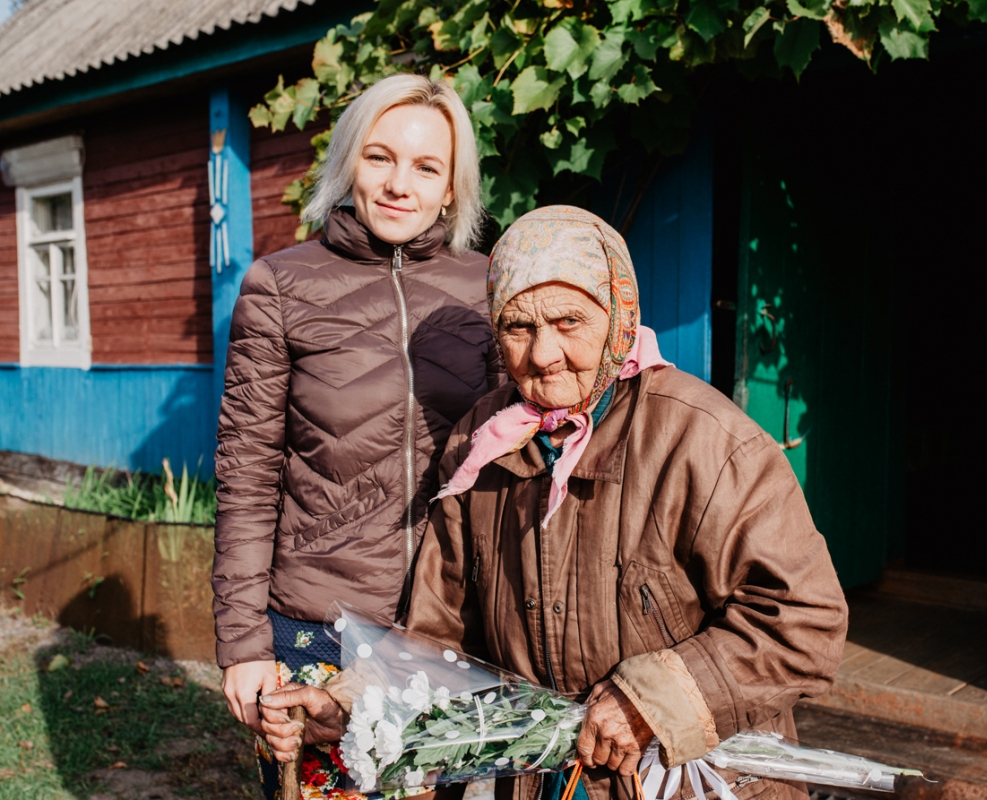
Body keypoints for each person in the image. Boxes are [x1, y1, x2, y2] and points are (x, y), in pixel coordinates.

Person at [260, 206, 849, 800]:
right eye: (518, 327)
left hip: (696, 779)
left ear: (618, 315)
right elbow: (440, 630)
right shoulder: (481, 442)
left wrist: (652, 700)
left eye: (570, 320)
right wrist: (353, 704)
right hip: (548, 781)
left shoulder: (704, 441)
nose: (543, 355)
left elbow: (805, 620)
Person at [212, 73, 504, 798]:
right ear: (348, 162)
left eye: (426, 167)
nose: (400, 184)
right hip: (317, 633)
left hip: (453, 630)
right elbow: (246, 479)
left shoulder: (492, 287)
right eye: (380, 158)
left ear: (451, 189)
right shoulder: (280, 286)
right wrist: (243, 645)